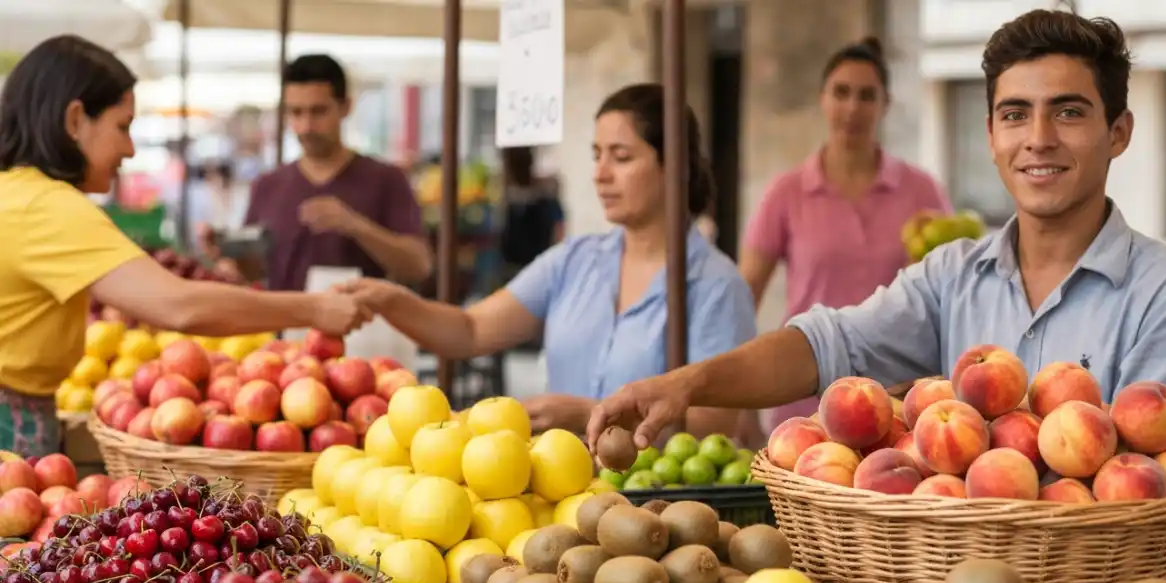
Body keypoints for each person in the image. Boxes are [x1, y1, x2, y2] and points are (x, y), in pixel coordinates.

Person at [585, 10, 1166, 452]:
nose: (1038, 139)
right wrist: (687, 382)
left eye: (1068, 112)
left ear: (1117, 133)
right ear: (990, 135)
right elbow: (828, 342)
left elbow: (1151, 489)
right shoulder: (952, 275)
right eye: (1014, 115)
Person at [0, 36, 371, 457]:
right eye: (122, 126)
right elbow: (180, 306)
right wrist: (314, 309)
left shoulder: (16, 194)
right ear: (74, 120)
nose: (130, 148)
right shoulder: (47, 206)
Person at [339, 83, 757, 437]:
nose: (601, 173)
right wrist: (390, 300)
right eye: (597, 155)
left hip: (664, 516)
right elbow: (469, 330)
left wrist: (590, 416)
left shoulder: (716, 285)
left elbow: (713, 425)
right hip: (564, 500)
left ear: (676, 167)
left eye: (622, 157)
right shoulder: (573, 261)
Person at [739, 38, 953, 434]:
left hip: (899, 400)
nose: (853, 107)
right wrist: (739, 402)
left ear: (885, 104)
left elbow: (947, 294)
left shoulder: (923, 191)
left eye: (866, 96)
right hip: (805, 396)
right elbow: (741, 299)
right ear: (823, 99)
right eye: (841, 93)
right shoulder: (786, 192)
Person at [240, 55, 432, 291]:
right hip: (284, 323)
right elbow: (253, 272)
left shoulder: (386, 180)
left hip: (365, 325)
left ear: (345, 107)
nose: (306, 126)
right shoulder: (267, 186)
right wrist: (226, 254)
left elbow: (418, 266)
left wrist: (355, 226)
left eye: (318, 111)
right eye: (296, 113)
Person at [498, 146, 565, 286]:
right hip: (513, 266)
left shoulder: (544, 194)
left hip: (537, 267)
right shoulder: (507, 194)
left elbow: (559, 230)